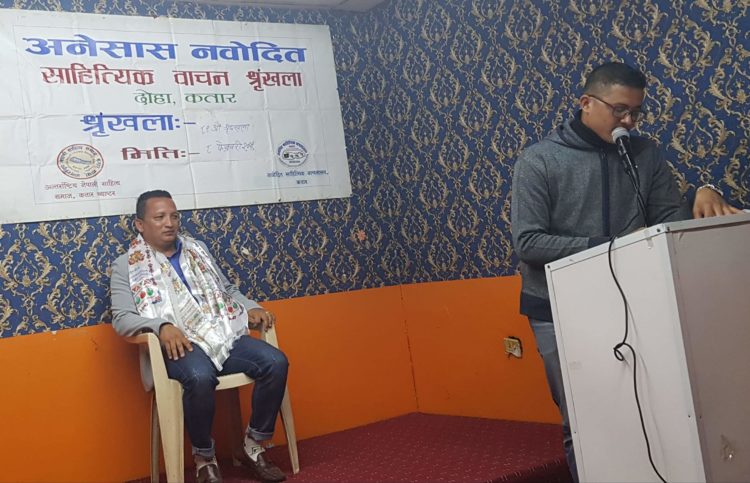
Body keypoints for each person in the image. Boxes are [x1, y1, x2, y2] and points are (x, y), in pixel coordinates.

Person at [510, 61, 741, 481]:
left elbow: (666, 220)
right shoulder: (539, 159)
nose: (629, 122)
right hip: (556, 310)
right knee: (583, 419)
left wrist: (702, 192)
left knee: (646, 408)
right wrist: (610, 246)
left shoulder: (644, 154)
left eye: (636, 112)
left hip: (630, 298)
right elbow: (528, 242)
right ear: (586, 103)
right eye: (619, 110)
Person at [110, 190, 288, 483]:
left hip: (221, 334)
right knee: (200, 376)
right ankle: (205, 458)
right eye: (159, 217)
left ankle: (252, 446)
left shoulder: (198, 250)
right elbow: (122, 318)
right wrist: (160, 326)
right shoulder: (126, 265)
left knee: (275, 362)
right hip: (179, 346)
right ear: (140, 224)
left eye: (174, 216)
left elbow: (226, 290)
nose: (169, 223)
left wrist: (250, 306)